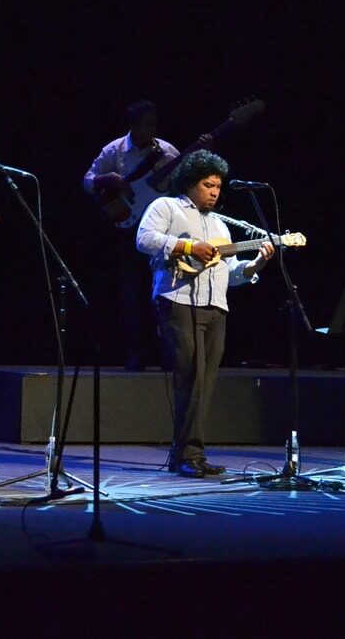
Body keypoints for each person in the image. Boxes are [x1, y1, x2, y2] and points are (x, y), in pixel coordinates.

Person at [136, 149, 274, 478]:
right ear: (189, 183)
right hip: (179, 300)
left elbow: (230, 273)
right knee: (189, 377)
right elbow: (144, 239)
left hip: (215, 307)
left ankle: (192, 454)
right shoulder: (167, 207)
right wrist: (188, 246)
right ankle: (186, 455)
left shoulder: (219, 225)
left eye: (218, 186)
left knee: (205, 382)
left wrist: (256, 264)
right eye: (207, 185)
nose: (214, 192)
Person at [83, 100, 182, 370]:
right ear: (133, 126)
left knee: (165, 294)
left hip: (162, 232)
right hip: (128, 232)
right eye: (147, 124)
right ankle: (135, 354)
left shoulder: (168, 152)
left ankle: (167, 355)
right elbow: (87, 180)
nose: (152, 130)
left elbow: (184, 186)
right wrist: (108, 179)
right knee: (132, 295)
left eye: (154, 124)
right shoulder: (114, 151)